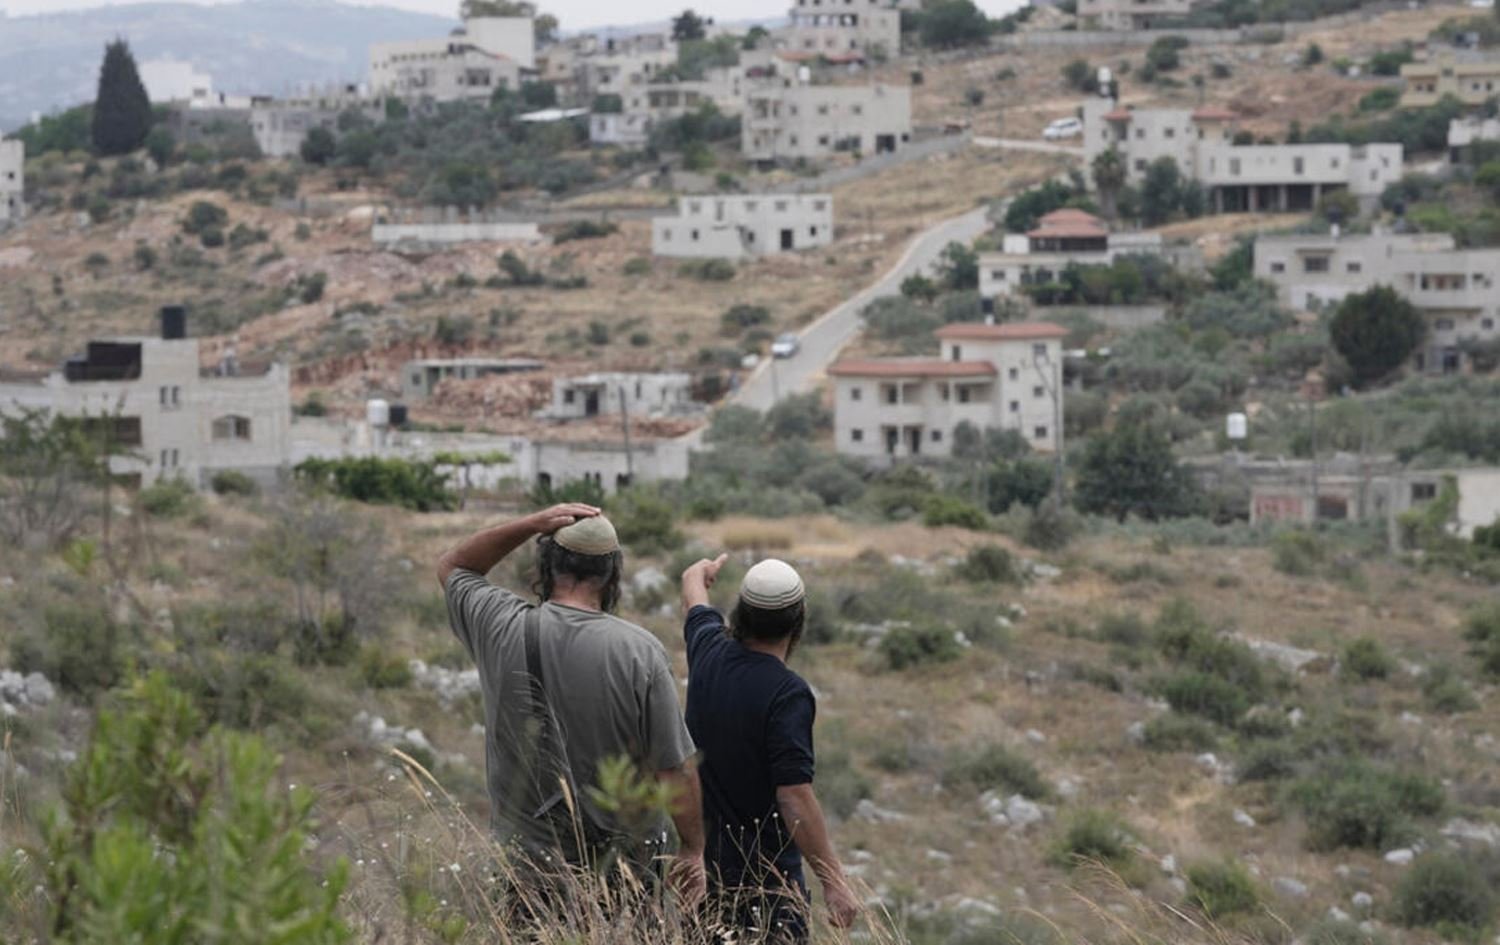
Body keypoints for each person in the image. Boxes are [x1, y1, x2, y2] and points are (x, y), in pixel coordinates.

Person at [435, 503, 705, 904]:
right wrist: (692, 848)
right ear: (613, 573)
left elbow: (455, 566)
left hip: (527, 872)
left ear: (546, 564)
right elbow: (673, 770)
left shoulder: (498, 625)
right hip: (621, 875)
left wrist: (531, 524)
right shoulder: (639, 652)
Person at [679, 554, 861, 943]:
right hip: (766, 889)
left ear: (740, 613)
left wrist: (703, 572)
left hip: (704, 878)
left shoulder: (707, 651)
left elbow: (692, 591)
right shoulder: (787, 693)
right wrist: (834, 882)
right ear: (798, 622)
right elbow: (794, 795)